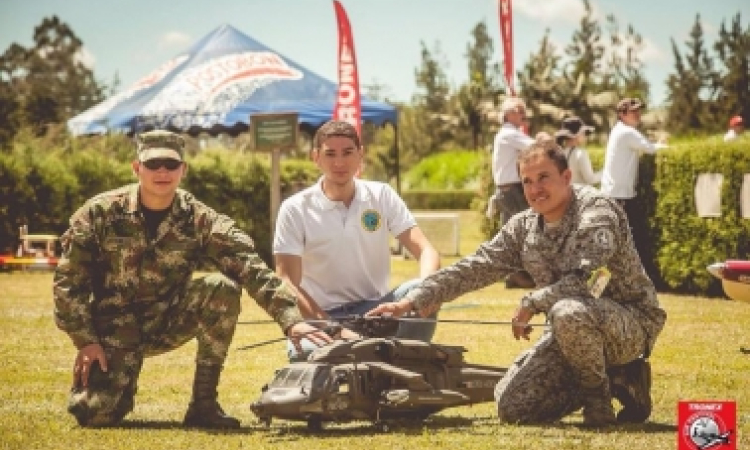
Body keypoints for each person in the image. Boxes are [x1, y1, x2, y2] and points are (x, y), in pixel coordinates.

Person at [367, 138, 667, 427]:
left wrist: (532, 302)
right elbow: (476, 267)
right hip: (571, 332)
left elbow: (591, 280)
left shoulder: (597, 211)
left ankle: (598, 403)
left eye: (544, 177)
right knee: (513, 406)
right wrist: (414, 299)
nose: (535, 189)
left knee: (567, 311)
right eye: (527, 181)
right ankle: (620, 378)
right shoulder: (524, 227)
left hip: (628, 323)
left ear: (566, 176)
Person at [53, 130, 331, 429]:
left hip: (168, 318)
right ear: (137, 168)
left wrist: (291, 319)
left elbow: (250, 267)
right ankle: (110, 387)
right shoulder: (100, 213)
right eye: (153, 163)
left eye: (171, 165)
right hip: (113, 330)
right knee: (94, 414)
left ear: (183, 170)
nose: (162, 171)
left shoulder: (198, 219)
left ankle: (203, 405)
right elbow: (69, 282)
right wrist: (86, 341)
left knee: (220, 288)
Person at [273, 120, 441, 361]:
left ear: (361, 154)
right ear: (316, 157)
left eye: (348, 152)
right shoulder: (294, 209)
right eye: (330, 154)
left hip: (378, 312)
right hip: (322, 316)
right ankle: (383, 355)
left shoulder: (382, 195)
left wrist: (423, 293)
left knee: (424, 288)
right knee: (305, 355)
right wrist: (333, 329)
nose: (339, 162)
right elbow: (287, 281)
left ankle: (404, 362)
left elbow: (427, 251)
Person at [489, 97, 536, 289]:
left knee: (511, 234)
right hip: (512, 190)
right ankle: (517, 274)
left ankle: (512, 274)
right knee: (525, 230)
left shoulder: (506, 134)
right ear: (508, 115)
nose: (522, 114)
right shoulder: (510, 134)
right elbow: (534, 146)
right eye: (519, 111)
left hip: (506, 190)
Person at [600, 98, 667, 226]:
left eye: (638, 110)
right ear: (622, 114)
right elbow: (651, 149)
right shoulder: (627, 132)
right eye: (633, 111)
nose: (638, 114)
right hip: (619, 196)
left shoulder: (618, 130)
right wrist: (665, 145)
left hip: (613, 193)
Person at [555, 116, 601, 186]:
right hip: (580, 195)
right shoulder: (581, 153)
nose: (585, 135)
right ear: (576, 135)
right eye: (583, 133)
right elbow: (590, 179)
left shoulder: (561, 153)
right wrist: (606, 172)